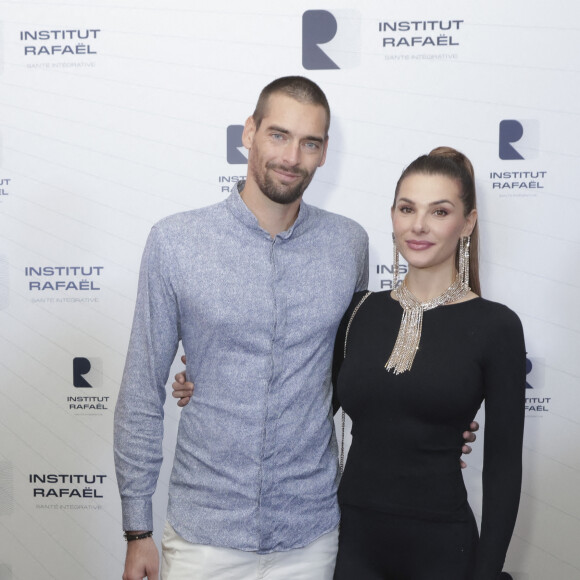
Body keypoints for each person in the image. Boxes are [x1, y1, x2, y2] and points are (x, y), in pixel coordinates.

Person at [116, 75, 478, 580]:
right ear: (249, 133)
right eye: (279, 135)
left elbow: (352, 372)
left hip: (313, 535)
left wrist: (434, 420)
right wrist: (137, 532)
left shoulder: (347, 244)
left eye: (310, 142)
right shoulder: (175, 242)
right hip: (204, 535)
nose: (291, 156)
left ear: (324, 152)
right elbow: (139, 391)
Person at [332, 147, 526, 579]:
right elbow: (299, 408)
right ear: (393, 215)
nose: (418, 225)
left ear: (468, 222)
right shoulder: (358, 312)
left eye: (439, 211)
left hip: (444, 550)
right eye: (407, 208)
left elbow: (502, 467)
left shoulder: (497, 326)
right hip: (350, 544)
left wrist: (488, 572)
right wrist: (210, 381)